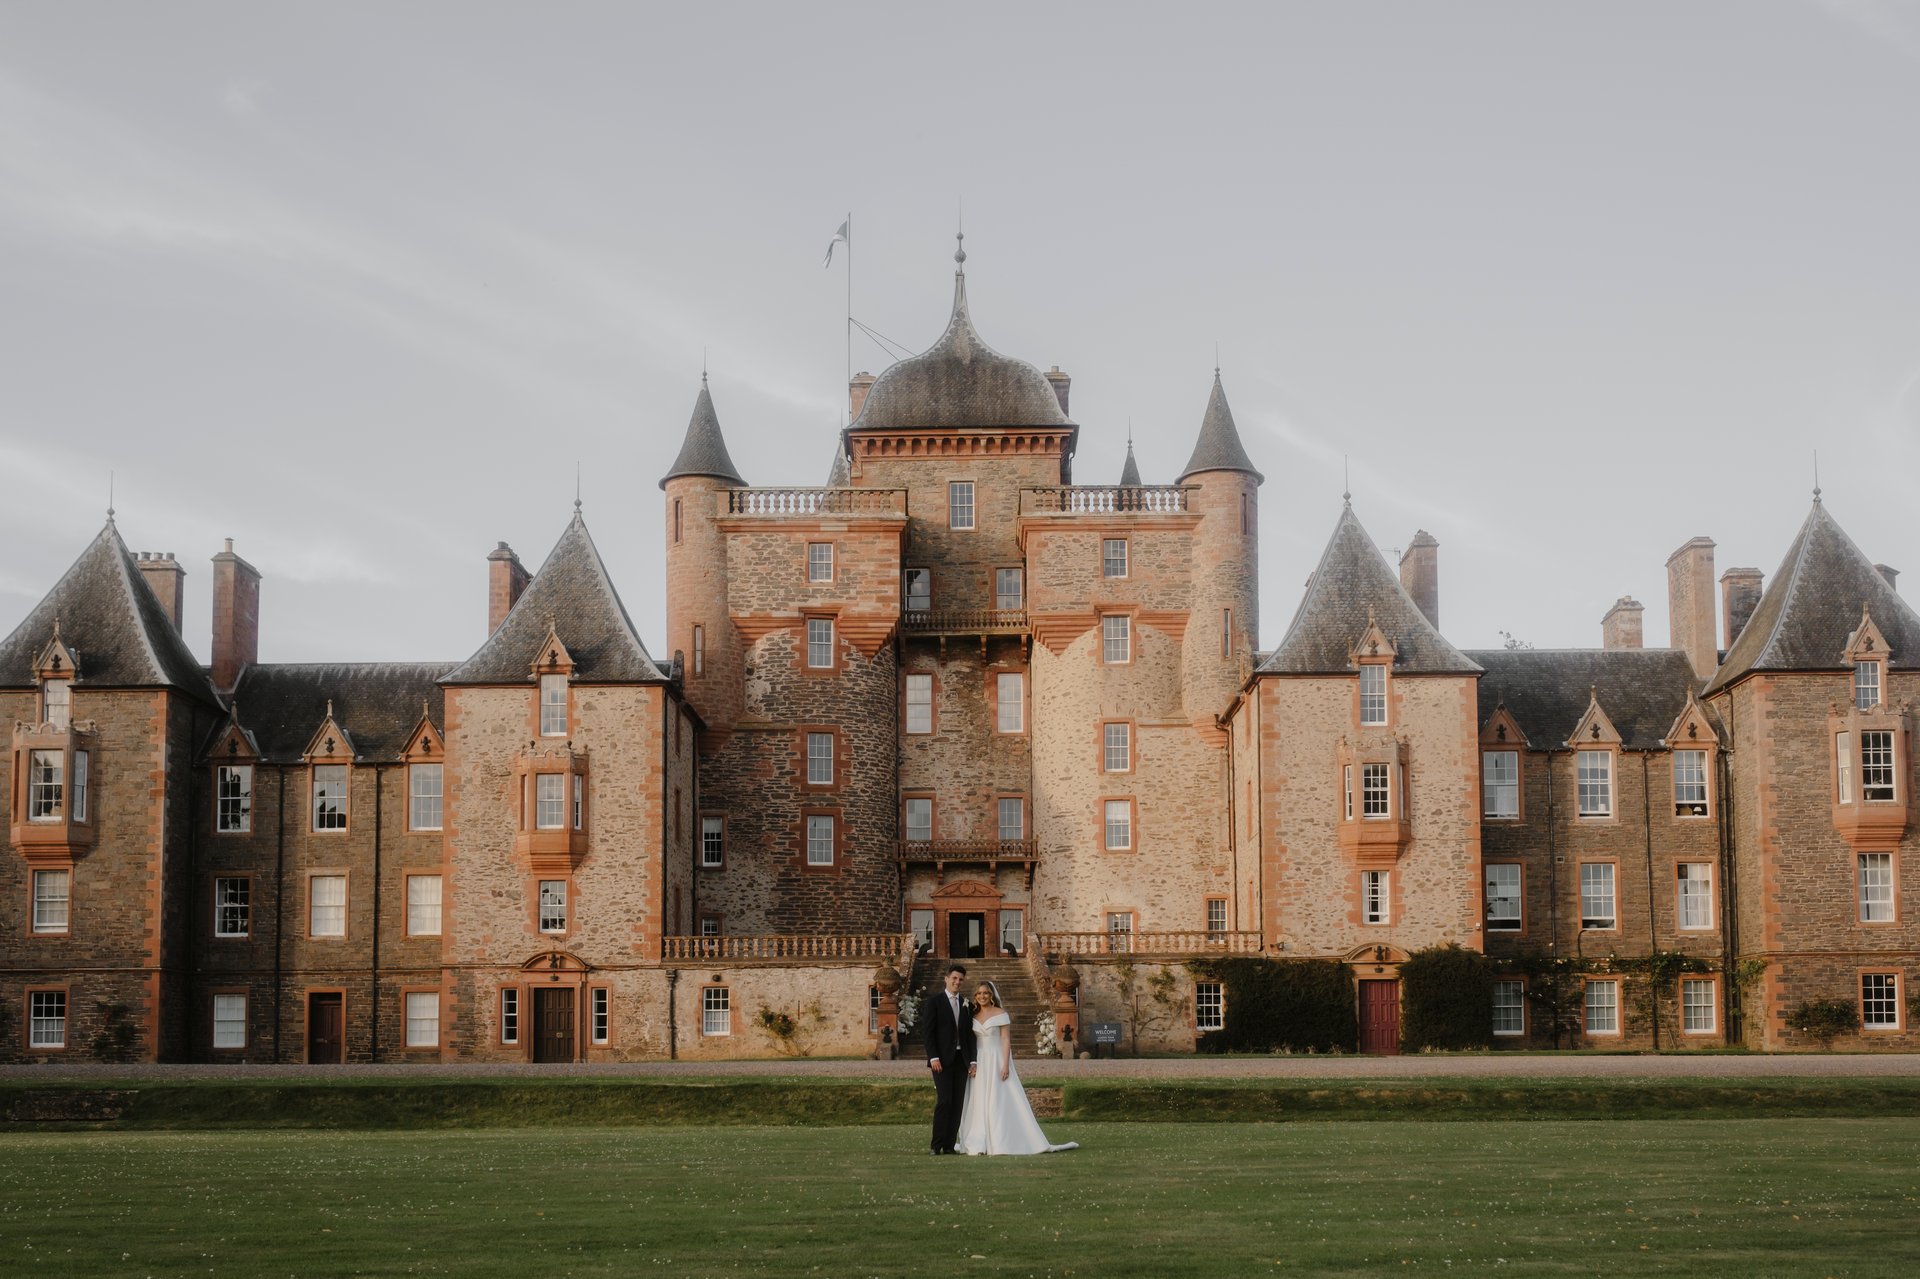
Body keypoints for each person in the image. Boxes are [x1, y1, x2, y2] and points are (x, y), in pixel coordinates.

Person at [954, 981, 1078, 1156]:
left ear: (991, 995)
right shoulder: (972, 1015)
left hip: (996, 1058)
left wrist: (1005, 1064)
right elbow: (968, 1041)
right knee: (979, 1098)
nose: (982, 996)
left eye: (986, 993)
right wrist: (970, 1062)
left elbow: (1005, 1040)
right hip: (979, 1060)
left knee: (998, 1097)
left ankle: (1001, 1139)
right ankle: (979, 1140)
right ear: (975, 996)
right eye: (979, 993)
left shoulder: (1001, 1014)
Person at [924, 963, 976, 1155]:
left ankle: (949, 1146)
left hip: (961, 1060)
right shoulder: (934, 1002)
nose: (957, 982)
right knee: (944, 1101)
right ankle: (936, 1145)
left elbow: (970, 1035)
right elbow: (928, 1033)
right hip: (941, 1061)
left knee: (957, 1103)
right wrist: (933, 1057)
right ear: (946, 979)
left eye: (961, 979)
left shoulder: (967, 1004)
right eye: (954, 978)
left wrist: (972, 1061)